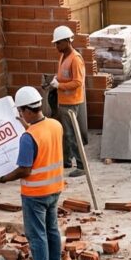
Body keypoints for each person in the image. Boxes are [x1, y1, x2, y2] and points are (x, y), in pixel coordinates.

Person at [0, 86, 65, 260]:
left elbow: (24, 169)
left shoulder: (28, 138)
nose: (21, 115)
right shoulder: (55, 125)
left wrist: (2, 179)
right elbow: (43, 141)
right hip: (54, 189)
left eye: (21, 111)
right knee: (52, 231)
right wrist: (26, 126)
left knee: (37, 235)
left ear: (27, 110)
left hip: (35, 194)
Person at [48, 25, 87, 178]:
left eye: (58, 43)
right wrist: (55, 80)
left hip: (72, 102)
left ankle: (81, 166)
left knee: (72, 135)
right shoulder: (63, 56)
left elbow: (78, 82)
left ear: (66, 41)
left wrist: (60, 86)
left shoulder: (75, 59)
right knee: (65, 134)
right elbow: (63, 74)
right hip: (63, 101)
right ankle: (67, 161)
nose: (56, 46)